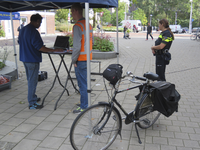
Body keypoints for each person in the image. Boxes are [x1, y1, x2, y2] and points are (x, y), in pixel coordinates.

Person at [18, 13, 63, 109]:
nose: (40, 24)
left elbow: (19, 41)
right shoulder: (33, 32)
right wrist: (54, 50)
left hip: (24, 58)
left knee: (30, 80)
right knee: (32, 81)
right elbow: (40, 47)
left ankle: (32, 97)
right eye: (40, 22)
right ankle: (32, 103)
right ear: (37, 21)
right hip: (32, 59)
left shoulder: (23, 29)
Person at [71, 3, 93, 114]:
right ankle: (85, 102)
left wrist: (73, 60)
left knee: (82, 84)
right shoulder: (88, 24)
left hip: (80, 59)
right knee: (86, 83)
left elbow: (77, 46)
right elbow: (89, 42)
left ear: (76, 10)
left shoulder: (77, 26)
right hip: (88, 58)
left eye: (71, 12)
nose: (71, 14)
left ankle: (84, 106)